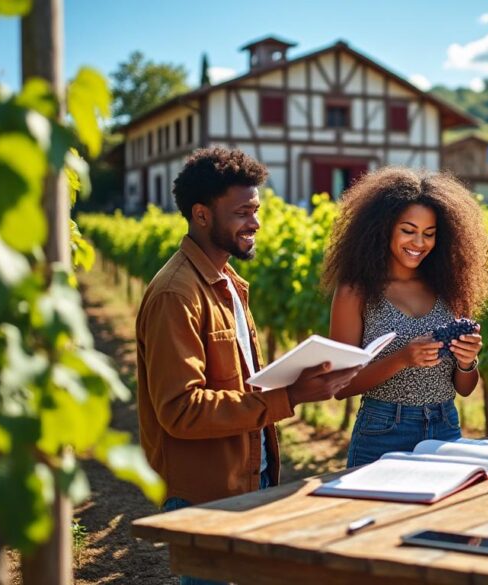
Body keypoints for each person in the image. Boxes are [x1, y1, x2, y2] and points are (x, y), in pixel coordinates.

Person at [136, 147, 360, 585]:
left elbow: (236, 381)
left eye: (256, 210)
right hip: (204, 493)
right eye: (243, 212)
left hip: (244, 476)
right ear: (201, 215)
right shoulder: (176, 295)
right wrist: (290, 396)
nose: (255, 223)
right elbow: (181, 409)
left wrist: (296, 376)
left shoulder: (228, 284)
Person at [324, 168, 488, 467]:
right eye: (408, 230)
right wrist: (402, 358)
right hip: (383, 429)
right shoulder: (356, 291)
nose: (419, 243)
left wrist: (467, 361)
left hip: (445, 427)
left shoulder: (451, 288)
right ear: (384, 227)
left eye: (429, 234)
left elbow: (464, 389)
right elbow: (339, 387)